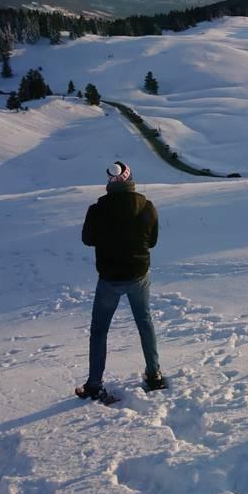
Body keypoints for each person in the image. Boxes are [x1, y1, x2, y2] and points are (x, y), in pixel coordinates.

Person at [76, 161, 166, 403]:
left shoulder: (97, 210)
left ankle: (94, 384)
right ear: (130, 179)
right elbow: (153, 241)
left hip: (110, 278)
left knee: (99, 330)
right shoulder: (147, 207)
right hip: (138, 275)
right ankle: (154, 375)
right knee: (144, 322)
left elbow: (87, 239)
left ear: (109, 181)